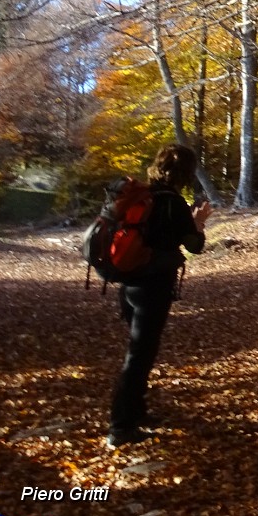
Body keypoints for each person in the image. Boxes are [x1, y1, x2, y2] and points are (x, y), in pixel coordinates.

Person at [107, 144, 211, 449]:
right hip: (153, 287)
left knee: (140, 353)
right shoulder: (173, 203)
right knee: (139, 357)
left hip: (129, 285)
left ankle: (136, 414)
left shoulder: (142, 196)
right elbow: (194, 246)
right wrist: (199, 223)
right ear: (185, 172)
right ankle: (120, 427)